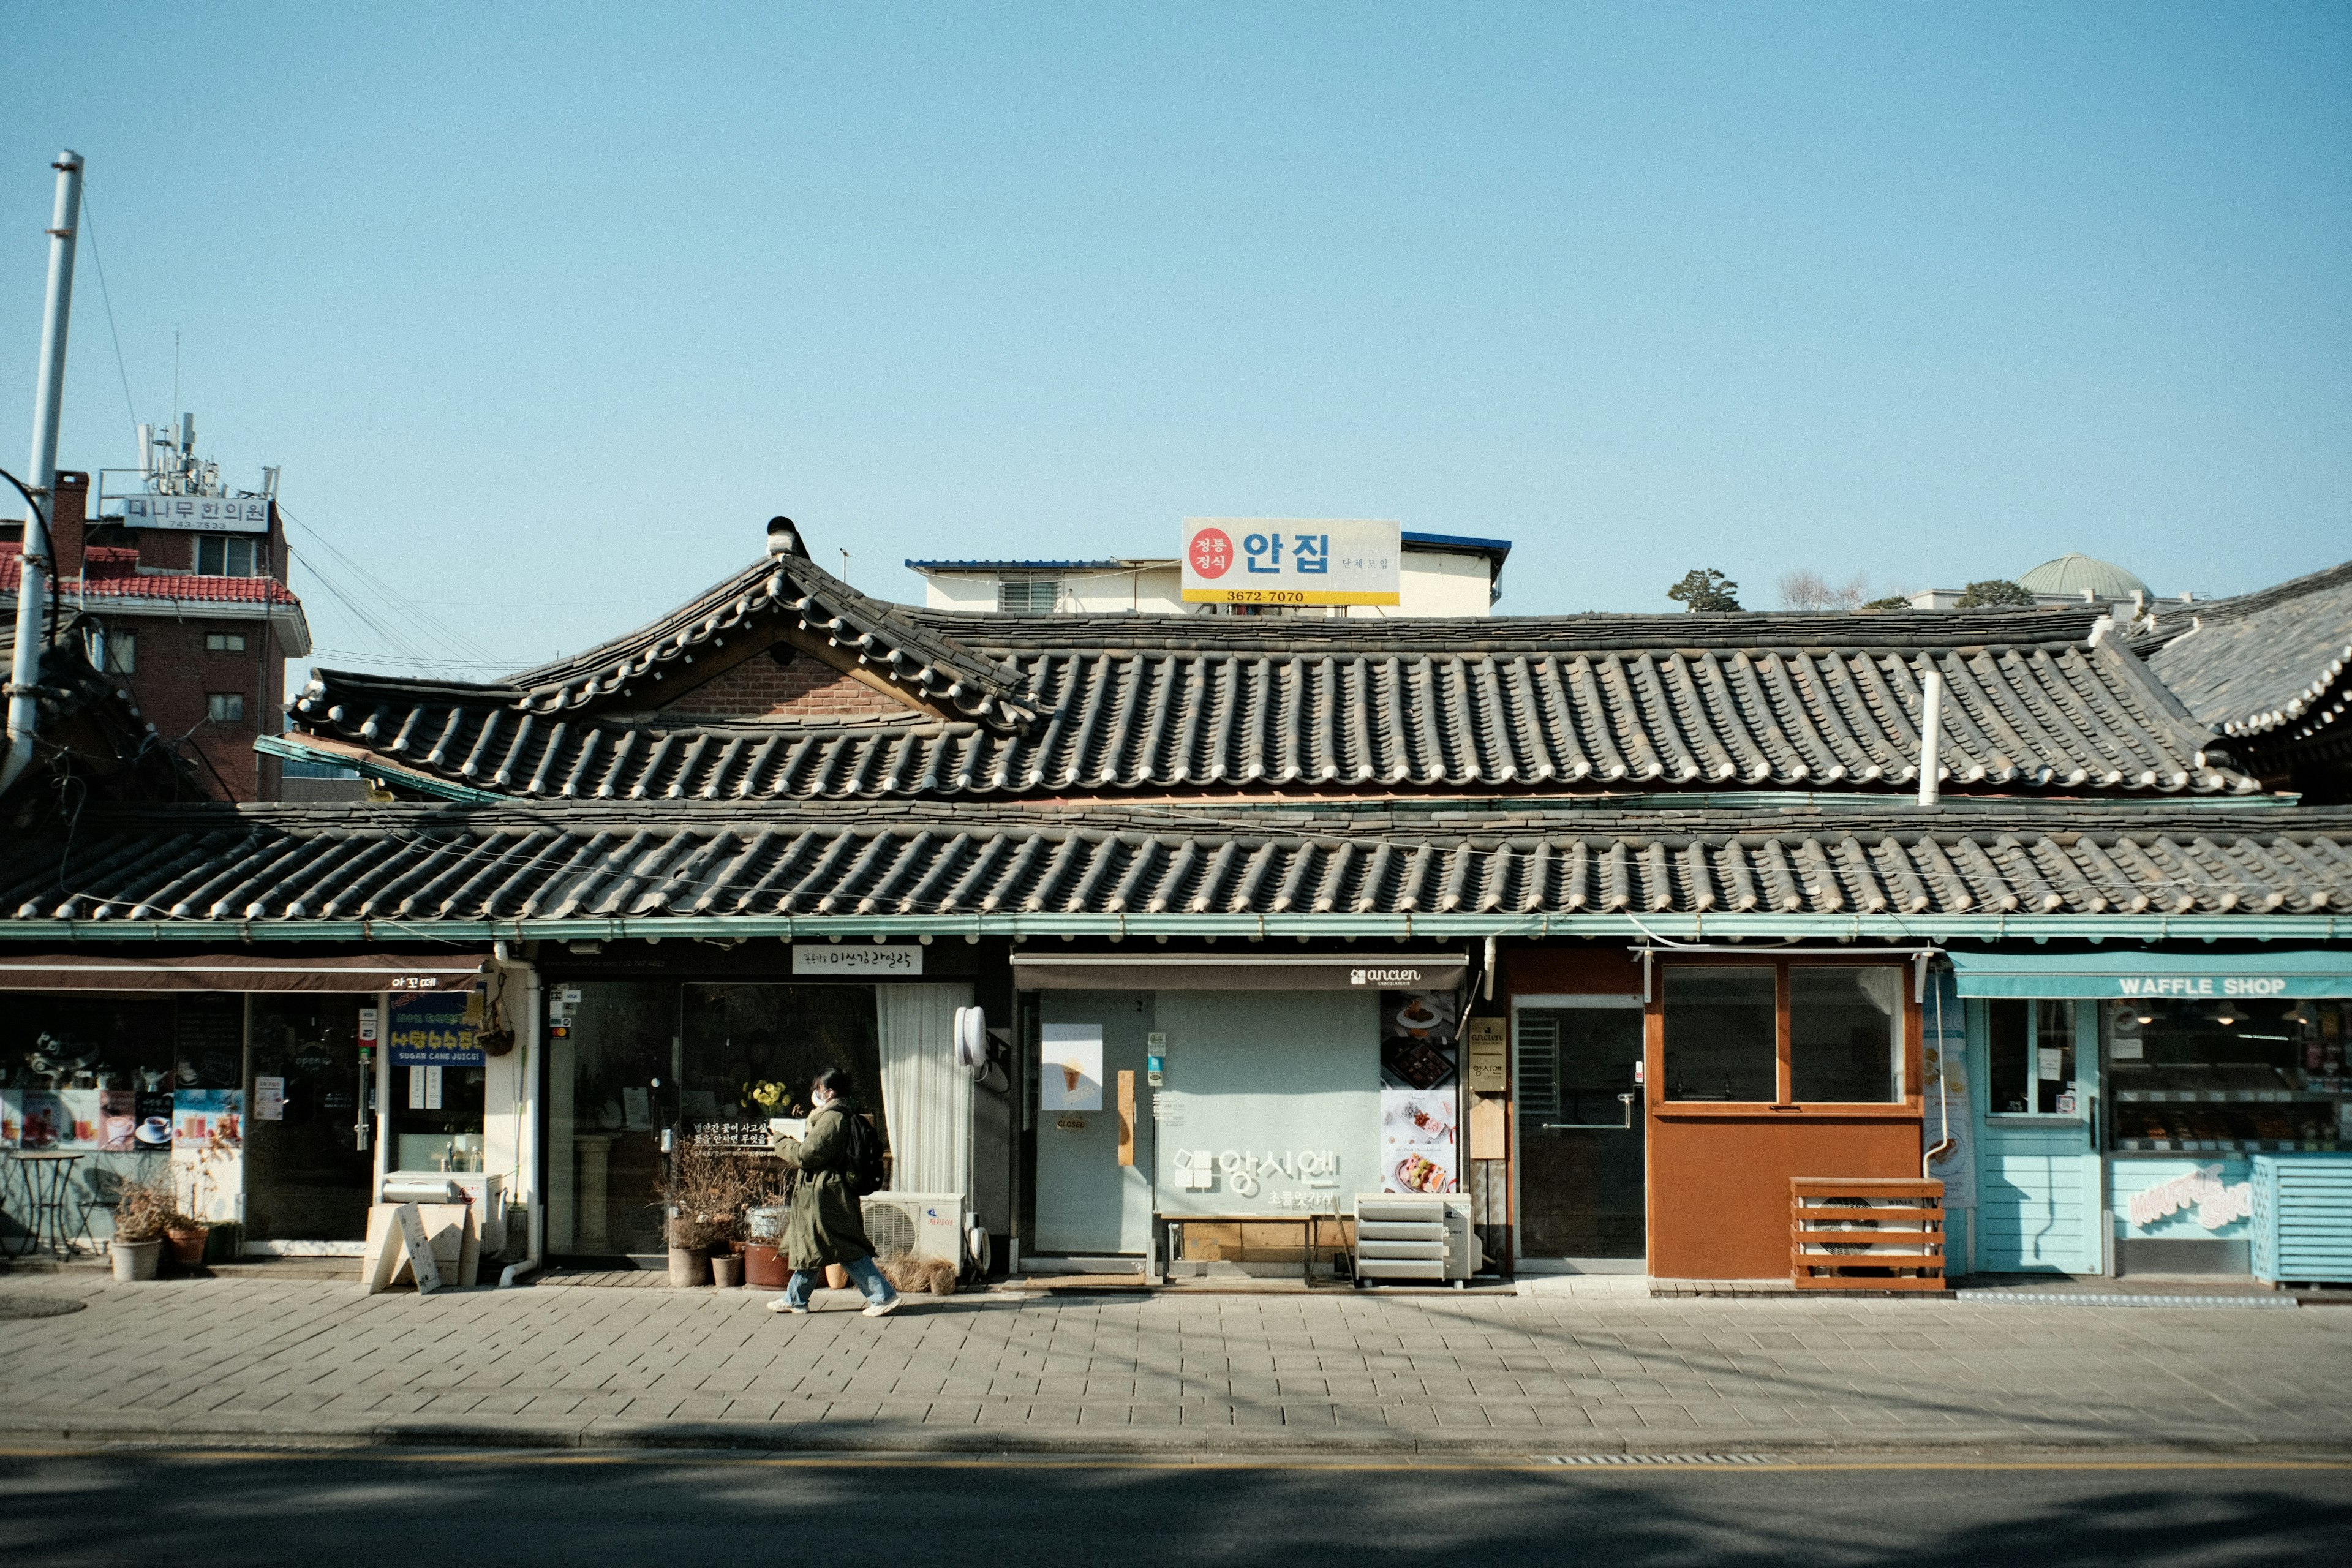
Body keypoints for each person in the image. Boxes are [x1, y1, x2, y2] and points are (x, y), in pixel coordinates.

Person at [766, 1068, 900, 1317]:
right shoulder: (834, 1115)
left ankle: (883, 1296)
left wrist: (781, 1142)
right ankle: (795, 1299)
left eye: (817, 1089)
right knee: (814, 1244)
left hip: (826, 1193)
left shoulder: (833, 1118)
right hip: (825, 1191)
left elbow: (806, 1155)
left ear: (828, 1092)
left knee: (842, 1246)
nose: (814, 1094)